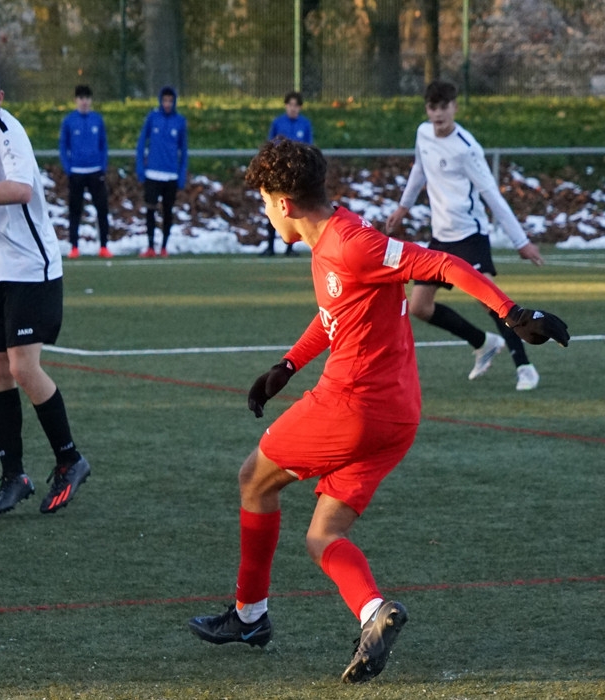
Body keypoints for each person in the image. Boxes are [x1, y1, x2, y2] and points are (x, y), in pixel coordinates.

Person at [187, 137, 568, 683]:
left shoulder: (351, 243)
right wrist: (288, 365)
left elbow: (441, 262)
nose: (266, 212)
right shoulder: (335, 236)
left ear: (285, 204)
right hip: (396, 416)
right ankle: (374, 612)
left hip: (352, 407)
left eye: (266, 202)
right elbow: (337, 312)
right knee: (323, 534)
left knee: (254, 480)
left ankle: (249, 617)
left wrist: (511, 311)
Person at [0, 58, 91, 518]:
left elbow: (22, 190)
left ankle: (69, 460)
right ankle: (14, 476)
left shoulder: (10, 134)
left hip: (31, 267)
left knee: (23, 367)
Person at [386, 80, 545, 391]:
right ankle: (483, 343)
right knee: (419, 307)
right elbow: (420, 169)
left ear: (454, 108)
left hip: (470, 236)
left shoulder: (467, 148)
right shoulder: (423, 133)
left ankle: (525, 367)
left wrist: (521, 242)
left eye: (444, 107)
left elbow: (492, 196)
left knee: (491, 302)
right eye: (432, 107)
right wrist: (403, 207)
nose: (438, 114)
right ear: (427, 109)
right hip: (441, 237)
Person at [59, 84, 112, 259]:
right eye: (81, 98)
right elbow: (63, 146)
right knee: (75, 210)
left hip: (95, 172)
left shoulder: (97, 120)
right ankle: (74, 247)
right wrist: (68, 168)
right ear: (76, 100)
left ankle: (103, 246)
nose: (84, 102)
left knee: (102, 209)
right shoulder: (69, 121)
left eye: (87, 98)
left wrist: (102, 166)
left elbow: (103, 145)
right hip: (77, 173)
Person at [135, 86, 188, 258]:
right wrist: (140, 168)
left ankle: (164, 246)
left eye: (170, 101)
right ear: (160, 101)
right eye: (165, 100)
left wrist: (181, 174)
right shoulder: (152, 118)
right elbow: (141, 143)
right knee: (150, 210)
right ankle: (150, 246)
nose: (167, 104)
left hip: (170, 175)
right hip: (152, 174)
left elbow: (183, 150)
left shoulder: (179, 121)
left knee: (167, 211)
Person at [262, 91, 313, 257]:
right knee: (274, 208)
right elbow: (270, 147)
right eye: (290, 105)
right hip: (278, 173)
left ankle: (289, 248)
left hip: (296, 174)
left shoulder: (305, 124)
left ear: (300, 107)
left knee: (292, 210)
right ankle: (270, 246)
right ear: (286, 106)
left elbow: (309, 149)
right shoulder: (278, 123)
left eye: (296, 105)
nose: (293, 108)